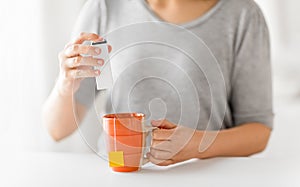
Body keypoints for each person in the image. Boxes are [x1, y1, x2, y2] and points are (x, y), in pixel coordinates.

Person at [42, 0, 273, 166]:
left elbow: (259, 132)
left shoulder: (243, 14)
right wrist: (65, 85)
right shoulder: (105, 7)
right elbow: (57, 130)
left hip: (207, 177)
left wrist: (197, 145)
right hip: (119, 176)